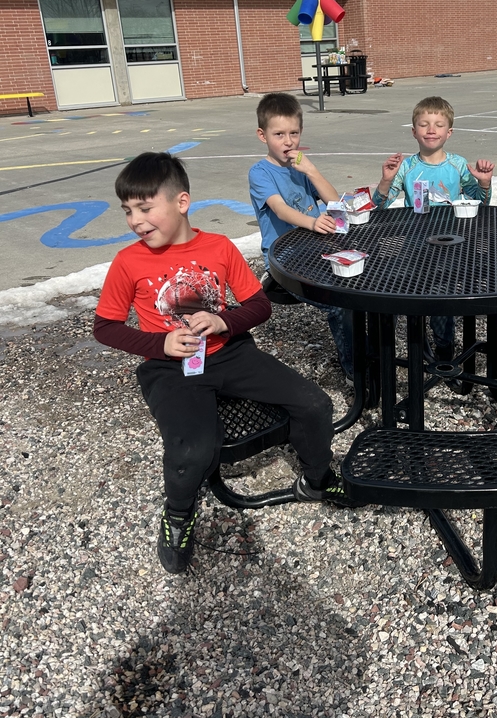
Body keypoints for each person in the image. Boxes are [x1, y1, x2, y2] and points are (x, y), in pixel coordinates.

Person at [93, 151, 355, 576]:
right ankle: (179, 513)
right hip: (169, 369)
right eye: (127, 211)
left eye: (144, 207)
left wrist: (223, 320)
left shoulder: (218, 247)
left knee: (315, 404)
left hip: (230, 353)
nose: (136, 220)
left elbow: (258, 306)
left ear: (181, 202)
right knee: (192, 449)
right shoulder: (129, 261)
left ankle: (317, 479)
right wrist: (160, 344)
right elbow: (105, 327)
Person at [372, 96, 495, 360]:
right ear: (413, 131)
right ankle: (410, 349)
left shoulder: (458, 165)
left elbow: (479, 205)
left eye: (438, 124)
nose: (431, 129)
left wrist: (484, 184)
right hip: (413, 244)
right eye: (424, 124)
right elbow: (379, 207)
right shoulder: (407, 166)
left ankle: (444, 350)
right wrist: (385, 181)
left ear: (448, 132)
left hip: (450, 246)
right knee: (407, 294)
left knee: (442, 300)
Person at [248, 92, 354, 381]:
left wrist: (313, 171)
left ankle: (368, 348)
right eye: (279, 134)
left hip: (317, 247)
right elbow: (281, 210)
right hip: (284, 256)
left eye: (293, 133)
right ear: (263, 135)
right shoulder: (260, 173)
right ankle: (354, 370)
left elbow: (337, 206)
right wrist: (313, 222)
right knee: (339, 302)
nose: (288, 141)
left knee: (364, 284)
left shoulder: (302, 168)